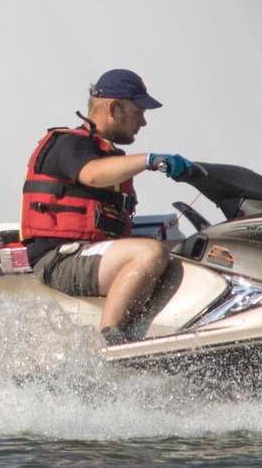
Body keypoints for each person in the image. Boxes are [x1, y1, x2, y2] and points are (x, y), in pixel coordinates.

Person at [19, 69, 196, 346]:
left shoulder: (108, 155)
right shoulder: (68, 144)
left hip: (90, 254)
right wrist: (149, 160)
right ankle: (111, 342)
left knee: (188, 255)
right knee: (150, 253)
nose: (144, 122)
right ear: (115, 108)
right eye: (139, 112)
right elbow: (91, 174)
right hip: (59, 259)